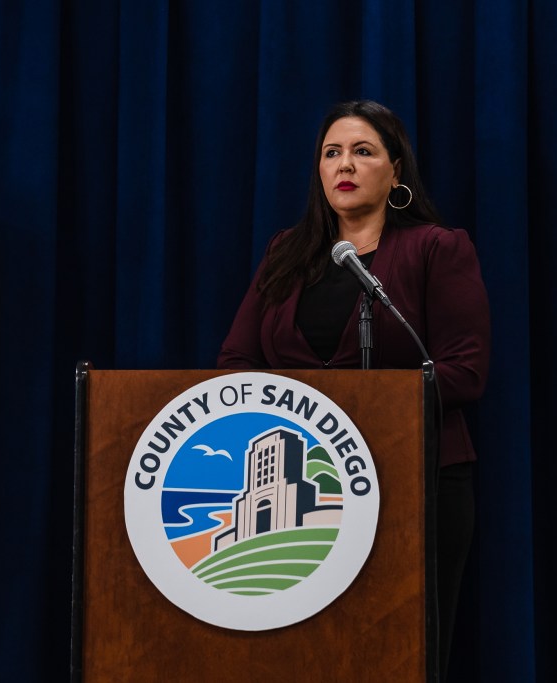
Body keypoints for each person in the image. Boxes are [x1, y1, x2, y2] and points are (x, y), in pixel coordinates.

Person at [217, 100, 489, 680]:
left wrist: (362, 407)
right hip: (307, 488)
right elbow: (237, 361)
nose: (345, 164)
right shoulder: (285, 254)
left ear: (396, 172)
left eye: (363, 152)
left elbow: (464, 370)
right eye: (331, 152)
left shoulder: (437, 249)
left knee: (400, 657)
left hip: (419, 482)